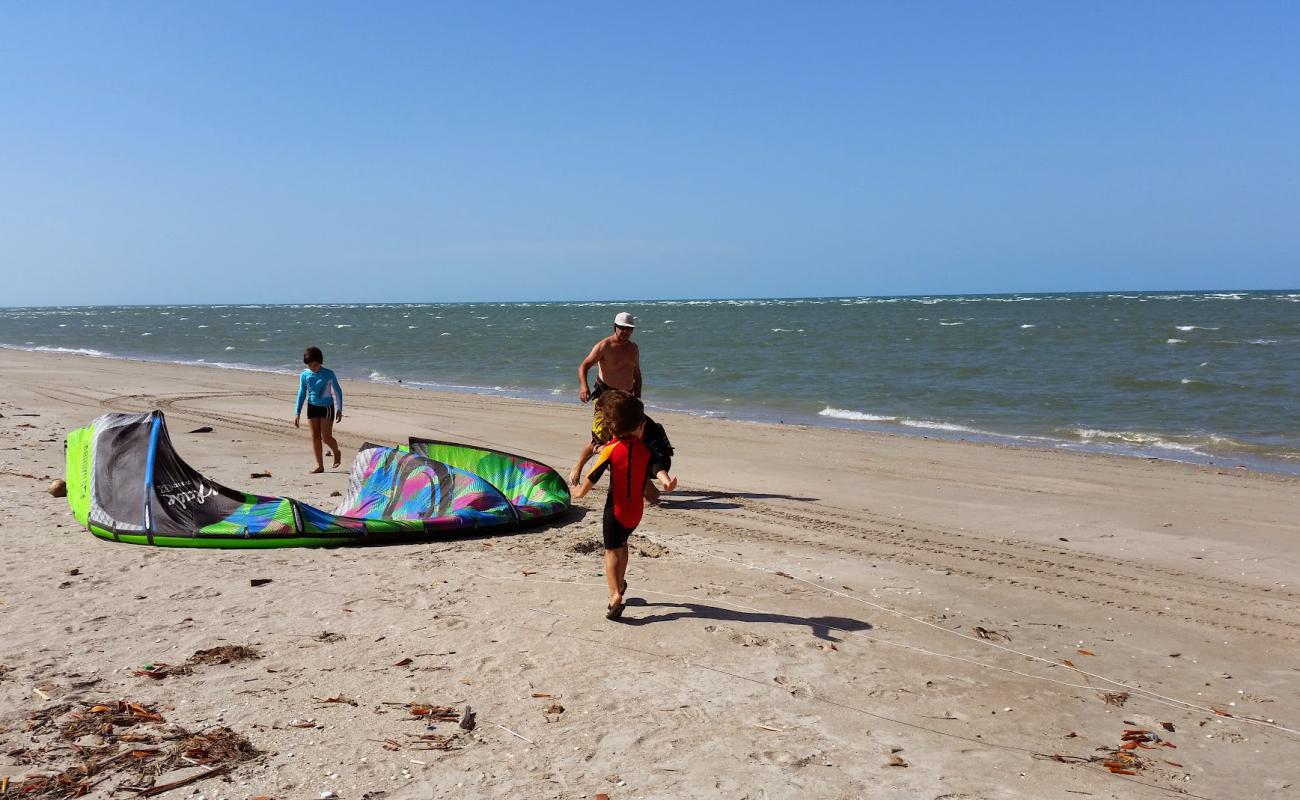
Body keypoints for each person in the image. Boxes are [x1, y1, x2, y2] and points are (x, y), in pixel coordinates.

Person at [573, 390, 650, 620]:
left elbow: (593, 475)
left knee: (610, 552)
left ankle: (615, 594)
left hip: (615, 511)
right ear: (638, 427)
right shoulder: (644, 451)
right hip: (636, 513)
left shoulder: (610, 449)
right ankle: (622, 582)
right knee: (623, 544)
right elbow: (647, 478)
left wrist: (580, 492)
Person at [568, 311, 642, 486]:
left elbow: (637, 374)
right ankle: (578, 467)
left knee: (624, 437)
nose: (625, 332)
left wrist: (637, 398)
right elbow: (583, 366)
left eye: (629, 329)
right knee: (598, 439)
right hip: (605, 397)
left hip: (626, 398)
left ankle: (623, 476)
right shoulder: (604, 346)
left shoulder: (633, 348)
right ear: (615, 327)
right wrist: (583, 386)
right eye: (622, 328)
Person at [292, 346, 344, 473]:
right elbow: (302, 393)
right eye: (309, 365)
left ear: (320, 362)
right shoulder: (305, 375)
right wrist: (297, 412)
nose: (312, 368)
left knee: (326, 437)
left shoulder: (328, 374)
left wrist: (339, 409)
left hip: (327, 408)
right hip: (312, 406)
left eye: (314, 365)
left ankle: (336, 452)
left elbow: (338, 391)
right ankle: (320, 466)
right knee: (315, 436)